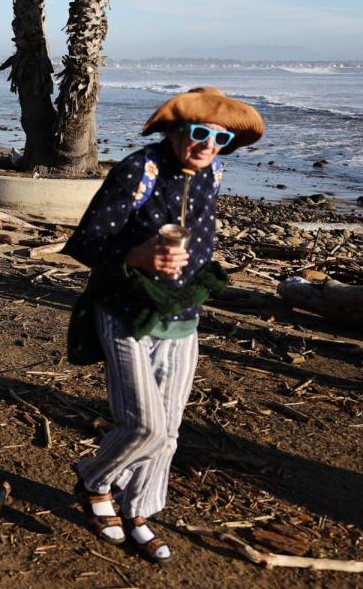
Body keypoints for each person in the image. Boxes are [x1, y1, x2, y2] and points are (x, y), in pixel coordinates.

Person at [63, 87, 263, 564]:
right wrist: (136, 255)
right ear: (175, 131)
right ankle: (93, 479)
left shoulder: (213, 170)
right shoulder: (139, 169)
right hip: (126, 314)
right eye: (198, 132)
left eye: (221, 137)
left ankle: (138, 512)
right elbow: (85, 242)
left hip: (182, 318)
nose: (208, 144)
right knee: (145, 426)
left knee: (169, 432)